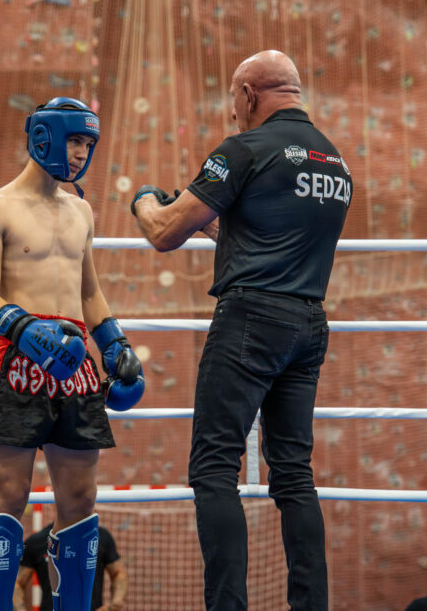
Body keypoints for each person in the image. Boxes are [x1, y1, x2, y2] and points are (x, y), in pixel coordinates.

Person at [130, 49, 351, 610]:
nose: (233, 113)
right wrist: (212, 222)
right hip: (308, 323)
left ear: (249, 94)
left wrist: (144, 202)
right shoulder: (334, 161)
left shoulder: (243, 149)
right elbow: (266, 236)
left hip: (251, 320)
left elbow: (164, 233)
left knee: (213, 468)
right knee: (294, 476)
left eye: (234, 100)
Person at [0, 97, 145, 611]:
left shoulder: (81, 211)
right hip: (19, 359)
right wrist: (30, 333)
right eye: (74, 141)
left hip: (76, 361)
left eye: (88, 143)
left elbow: (89, 292)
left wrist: (116, 346)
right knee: (11, 493)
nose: (81, 153)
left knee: (81, 499)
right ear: (44, 137)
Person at [13, 523, 128, 611]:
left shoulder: (100, 536)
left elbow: (118, 573)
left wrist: (115, 604)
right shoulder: (37, 541)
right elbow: (17, 582)